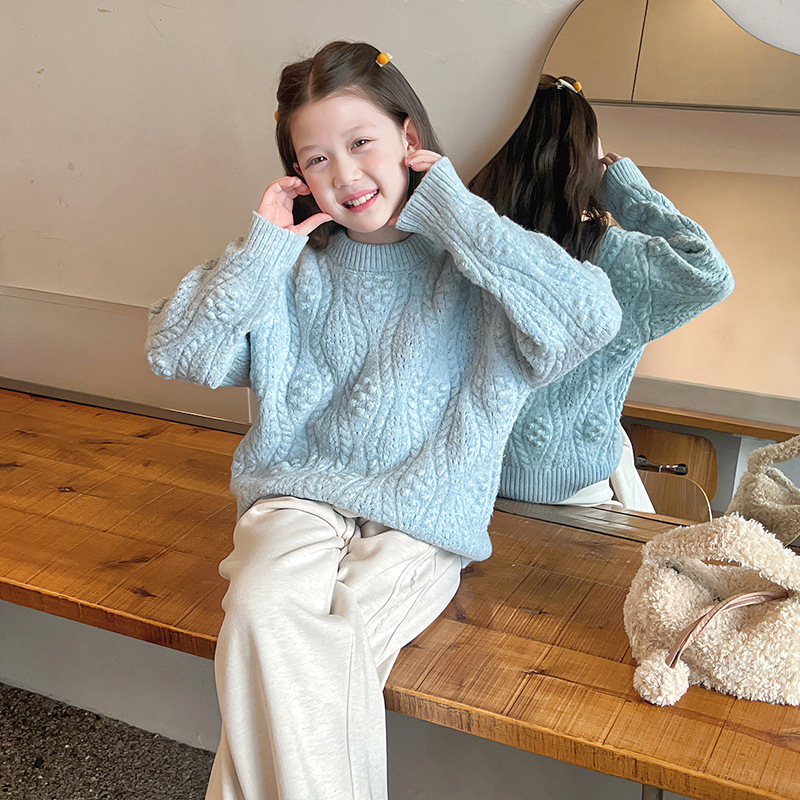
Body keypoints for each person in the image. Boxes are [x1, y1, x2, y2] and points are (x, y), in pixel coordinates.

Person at [146, 45, 622, 800]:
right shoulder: (289, 267)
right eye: (316, 159)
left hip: (421, 520)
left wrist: (455, 213)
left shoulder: (476, 265)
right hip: (296, 498)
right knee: (262, 610)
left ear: (409, 138)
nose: (344, 174)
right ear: (298, 176)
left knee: (310, 657)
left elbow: (589, 319)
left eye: (360, 142)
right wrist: (265, 245)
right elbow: (179, 352)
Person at [470, 74, 735, 510]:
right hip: (578, 494)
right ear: (588, 166)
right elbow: (709, 275)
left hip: (470, 483)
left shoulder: (475, 243)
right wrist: (629, 192)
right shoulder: (619, 260)